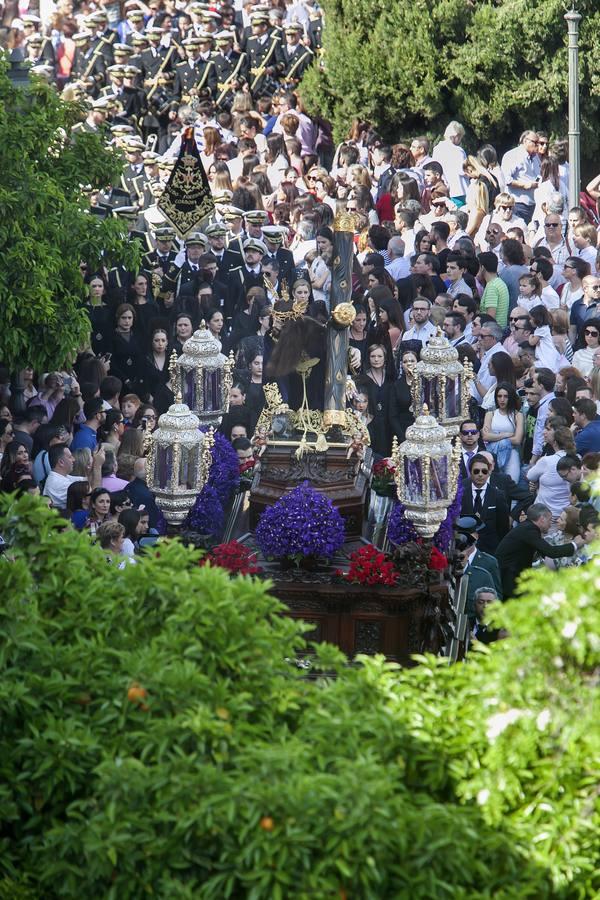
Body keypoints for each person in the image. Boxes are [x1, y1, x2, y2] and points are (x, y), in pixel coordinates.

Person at [495, 503, 585, 598]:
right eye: (550, 520)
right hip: (508, 576)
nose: (551, 524)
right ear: (542, 519)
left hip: (512, 574)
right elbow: (551, 552)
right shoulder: (529, 531)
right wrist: (575, 545)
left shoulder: (528, 527)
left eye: (560, 519)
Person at [460, 453, 510, 554]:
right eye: (476, 471)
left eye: (484, 471)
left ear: (489, 473)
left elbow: (503, 527)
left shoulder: (498, 495)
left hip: (490, 550)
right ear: (470, 472)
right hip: (465, 550)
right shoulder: (461, 494)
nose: (480, 474)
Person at [482, 382, 524, 481]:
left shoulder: (518, 415)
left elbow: (517, 440)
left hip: (512, 454)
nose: (502, 399)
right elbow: (485, 436)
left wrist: (494, 436)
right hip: (492, 453)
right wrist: (505, 435)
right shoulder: (490, 414)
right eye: (499, 396)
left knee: (512, 481)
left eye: (506, 396)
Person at [43, 444, 103, 510]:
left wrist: (93, 462)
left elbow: (88, 482)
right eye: (70, 457)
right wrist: (98, 466)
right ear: (61, 462)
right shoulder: (58, 483)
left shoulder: (62, 477)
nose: (73, 459)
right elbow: (95, 498)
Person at [478, 251, 509, 326]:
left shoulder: (492, 287)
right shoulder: (499, 282)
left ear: (482, 268)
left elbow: (490, 318)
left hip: (492, 333)